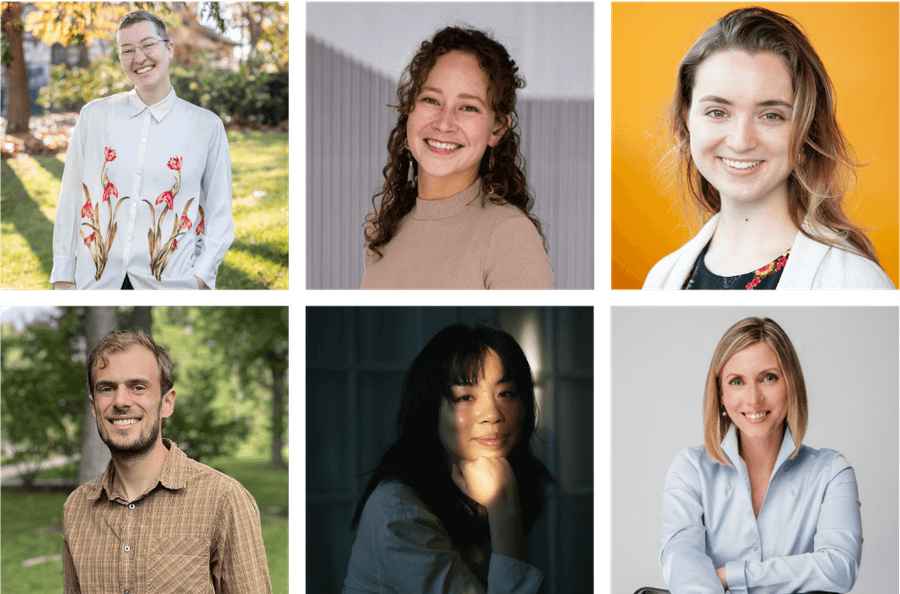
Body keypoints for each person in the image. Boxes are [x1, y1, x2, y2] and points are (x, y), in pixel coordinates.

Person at [642, 7, 895, 291]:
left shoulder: (855, 283)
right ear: (686, 119)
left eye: (771, 115)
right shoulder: (660, 279)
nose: (741, 141)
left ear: (806, 131)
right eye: (717, 112)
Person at [343, 324, 555, 593]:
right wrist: (505, 514)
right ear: (431, 412)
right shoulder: (397, 511)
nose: (492, 414)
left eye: (506, 393)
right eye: (465, 397)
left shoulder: (498, 481)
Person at [659, 317, 862, 593]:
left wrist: (733, 575)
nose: (753, 398)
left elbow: (839, 567)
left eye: (768, 378)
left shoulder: (831, 472)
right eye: (737, 381)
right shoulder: (690, 469)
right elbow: (681, 559)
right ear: (720, 394)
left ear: (791, 383)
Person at [62, 330, 272, 593]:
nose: (121, 401)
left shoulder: (224, 500)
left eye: (138, 387)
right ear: (94, 407)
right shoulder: (76, 509)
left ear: (167, 403)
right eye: (107, 388)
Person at [51, 10, 234, 291]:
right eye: (127, 50)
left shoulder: (206, 126)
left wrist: (201, 277)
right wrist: (64, 274)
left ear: (168, 48)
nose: (139, 58)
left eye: (148, 45)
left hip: (170, 285)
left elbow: (219, 210)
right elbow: (71, 197)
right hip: (99, 283)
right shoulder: (94, 117)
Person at [359, 26, 554, 290]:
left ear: (496, 129)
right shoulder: (382, 224)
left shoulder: (508, 235)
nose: (444, 122)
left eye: (468, 107)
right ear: (409, 110)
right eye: (431, 100)